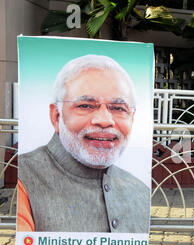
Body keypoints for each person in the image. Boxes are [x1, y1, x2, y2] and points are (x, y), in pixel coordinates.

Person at [17, 54, 150, 233]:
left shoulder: (140, 191)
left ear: (132, 119)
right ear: (56, 116)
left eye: (118, 108)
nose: (104, 121)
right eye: (86, 106)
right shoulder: (24, 179)